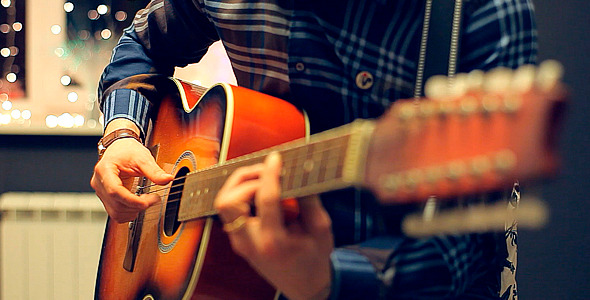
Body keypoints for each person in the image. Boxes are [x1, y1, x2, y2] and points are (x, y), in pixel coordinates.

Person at [91, 0, 536, 299]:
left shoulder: (473, 12)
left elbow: (468, 246)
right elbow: (143, 41)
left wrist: (330, 280)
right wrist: (122, 134)